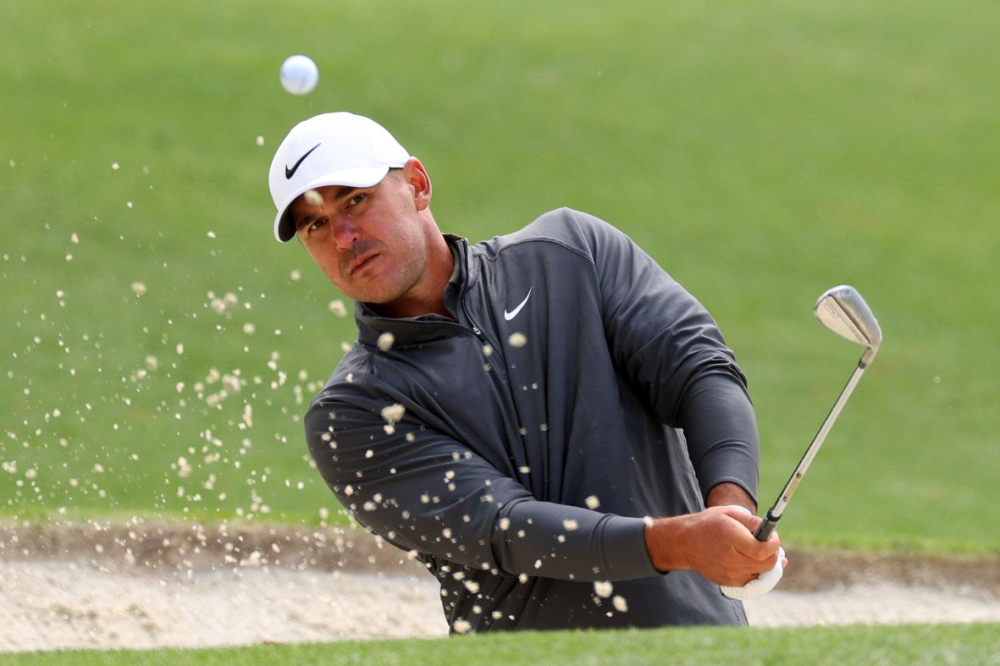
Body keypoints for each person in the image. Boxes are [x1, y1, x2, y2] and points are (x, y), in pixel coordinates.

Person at [267, 112, 784, 633]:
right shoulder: (353, 411)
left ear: (417, 186)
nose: (343, 237)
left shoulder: (568, 254)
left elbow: (700, 369)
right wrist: (684, 542)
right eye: (316, 225)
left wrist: (731, 510)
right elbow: (506, 529)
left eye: (355, 200)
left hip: (702, 643)